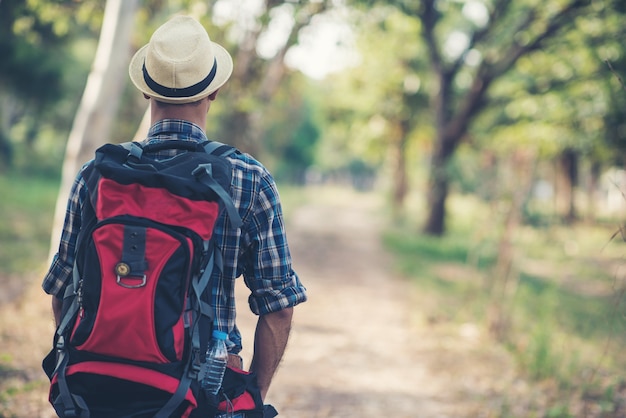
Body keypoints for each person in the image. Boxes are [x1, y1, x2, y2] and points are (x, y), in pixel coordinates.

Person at [42, 14, 307, 406]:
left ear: (146, 92)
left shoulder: (96, 176)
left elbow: (62, 291)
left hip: (98, 386)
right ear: (214, 92)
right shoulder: (248, 179)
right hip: (202, 391)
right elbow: (278, 307)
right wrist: (251, 395)